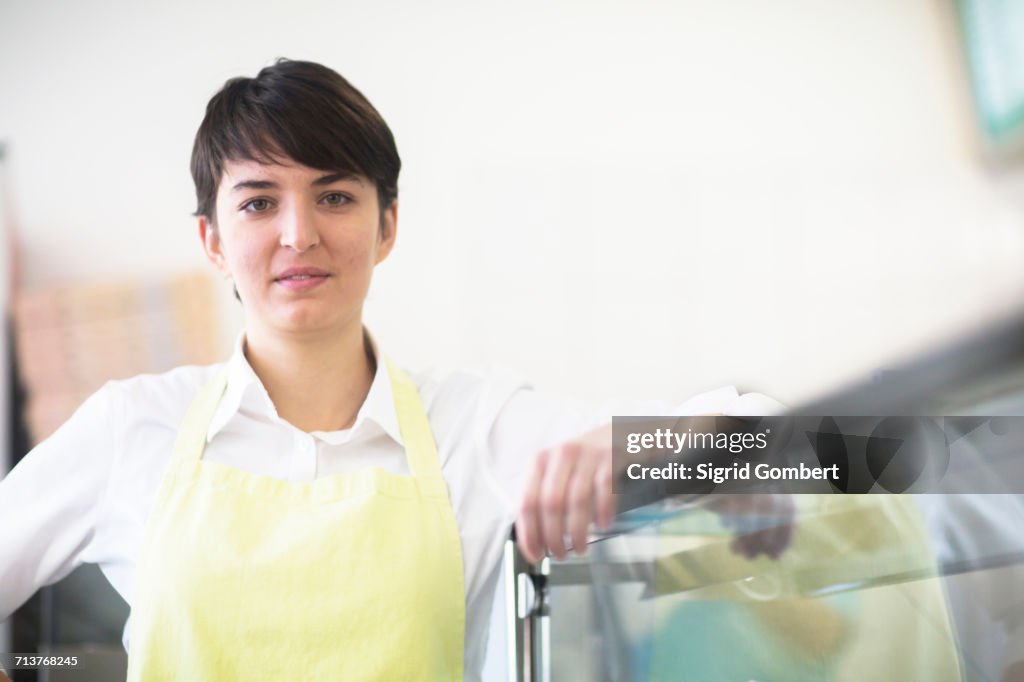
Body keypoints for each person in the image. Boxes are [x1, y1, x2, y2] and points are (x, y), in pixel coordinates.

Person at [0, 59, 783, 680]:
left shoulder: (478, 426)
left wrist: (671, 435)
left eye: (335, 197)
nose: (298, 235)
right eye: (258, 203)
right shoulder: (132, 427)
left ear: (387, 226)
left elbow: (837, 455)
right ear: (211, 240)